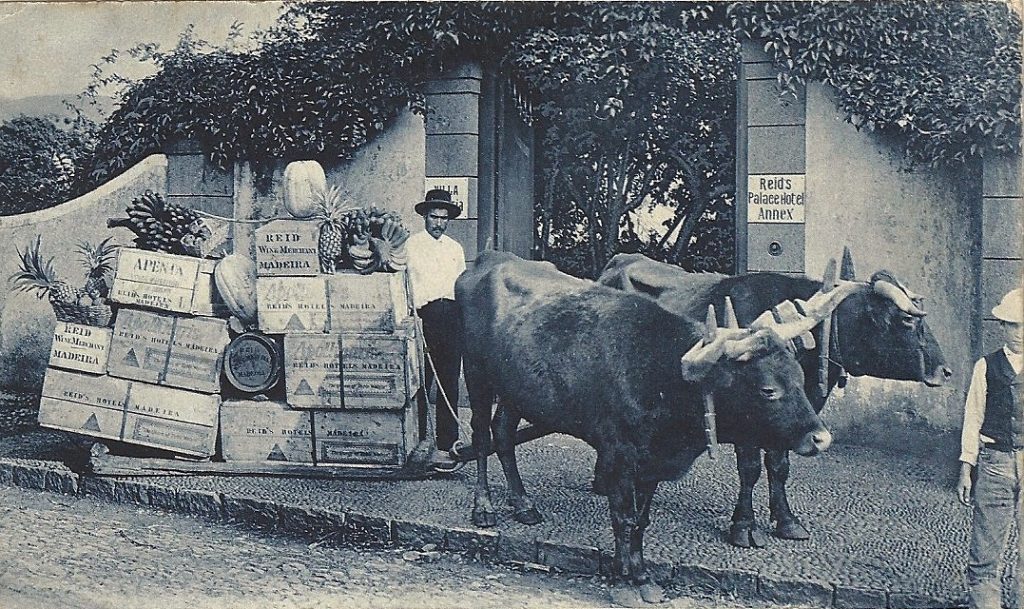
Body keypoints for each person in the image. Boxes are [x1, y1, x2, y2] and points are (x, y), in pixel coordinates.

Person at [957, 287, 1023, 609]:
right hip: (995, 462)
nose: (1019, 333)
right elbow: (973, 418)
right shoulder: (986, 367)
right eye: (1013, 325)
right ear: (1002, 327)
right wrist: (966, 468)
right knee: (985, 549)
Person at [406, 188, 466, 472]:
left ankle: (448, 444)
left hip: (452, 317)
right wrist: (413, 316)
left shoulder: (455, 248)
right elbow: (404, 285)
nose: (438, 223)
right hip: (423, 317)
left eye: (443, 218)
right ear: (424, 217)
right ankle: (415, 441)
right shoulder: (411, 245)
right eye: (434, 217)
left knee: (449, 382)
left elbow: (461, 287)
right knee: (420, 381)